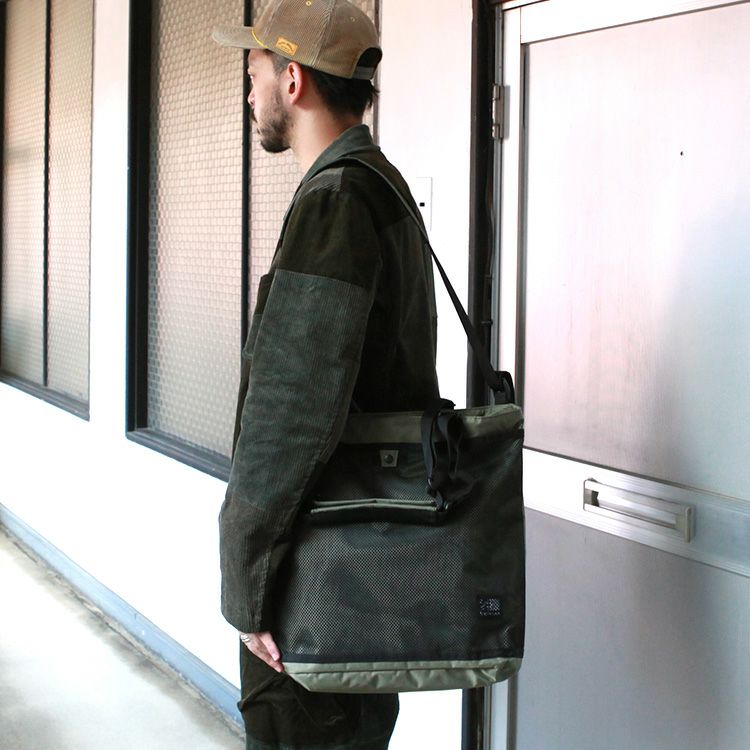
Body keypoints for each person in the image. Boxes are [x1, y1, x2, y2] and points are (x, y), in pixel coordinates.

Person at [213, 1, 439, 747]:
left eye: (254, 72)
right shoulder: (381, 186)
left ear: (294, 80)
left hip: (312, 586)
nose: (249, 92)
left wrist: (246, 583)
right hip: (366, 570)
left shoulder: (335, 201)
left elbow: (291, 413)